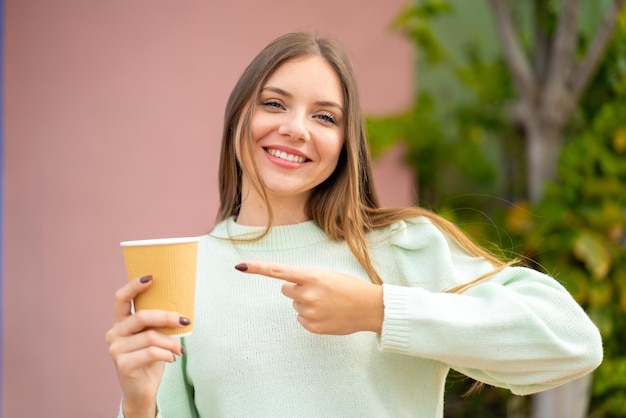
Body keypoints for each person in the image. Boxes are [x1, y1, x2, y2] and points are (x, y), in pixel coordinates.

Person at [105, 32, 603, 418]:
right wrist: (138, 403)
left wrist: (379, 310)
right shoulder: (185, 272)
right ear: (239, 115)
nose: (295, 129)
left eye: (325, 117)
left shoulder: (400, 248)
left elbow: (572, 342)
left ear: (346, 143)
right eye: (274, 103)